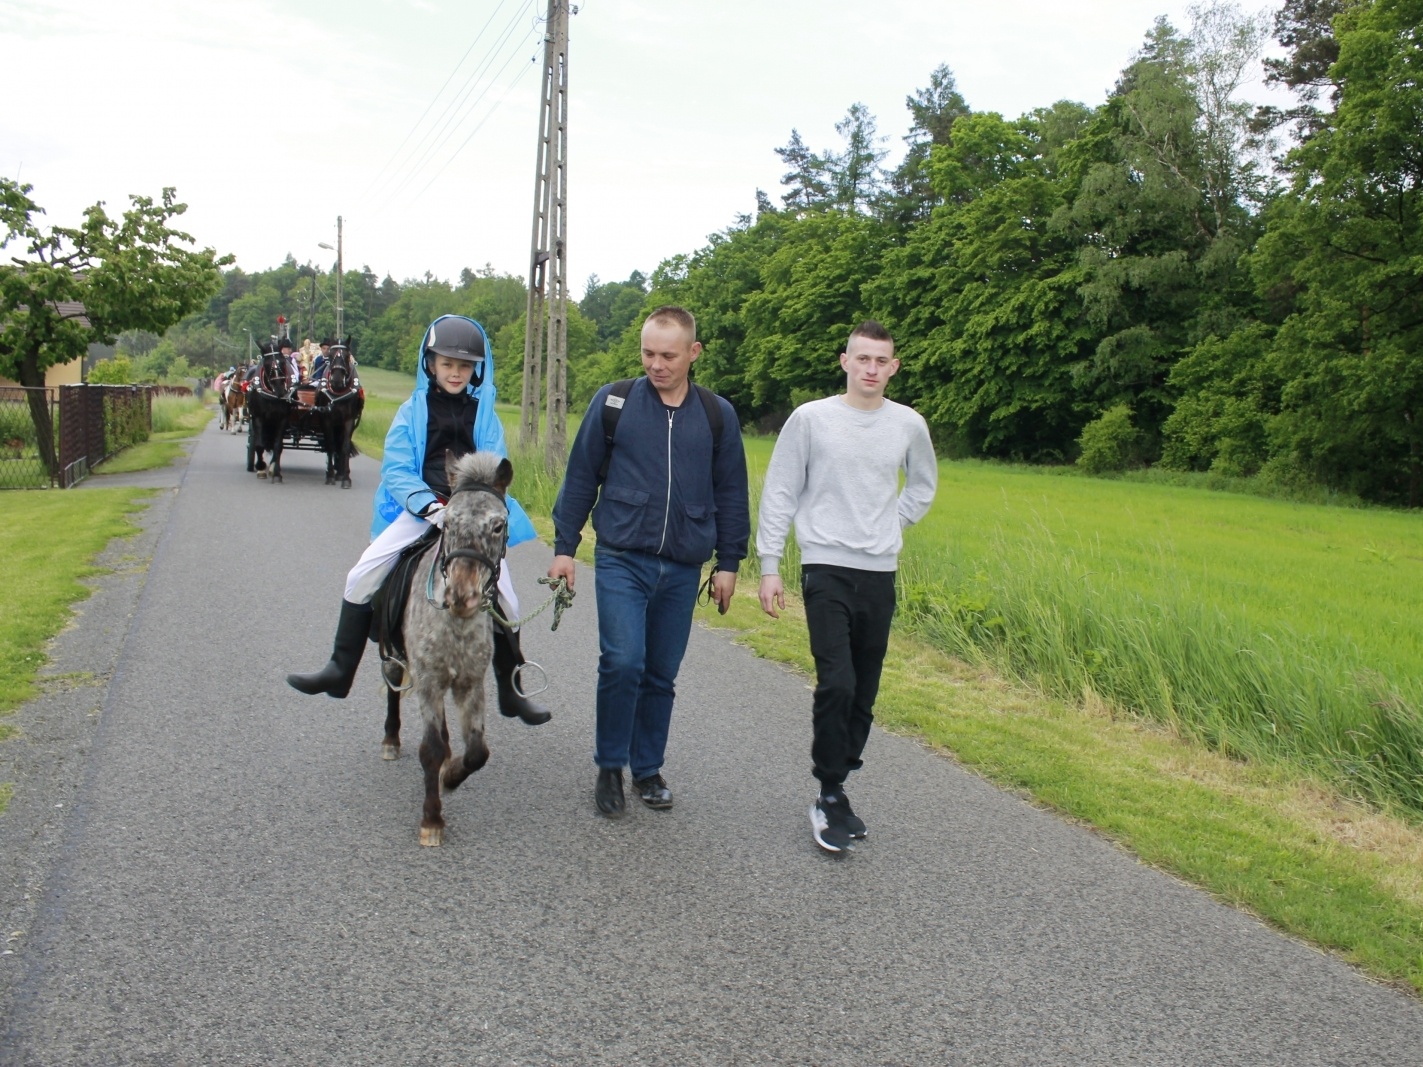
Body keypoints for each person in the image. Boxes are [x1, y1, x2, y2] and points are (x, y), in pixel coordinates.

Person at [286, 314, 553, 726]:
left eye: (464, 366)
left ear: (475, 369)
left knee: (509, 599)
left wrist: (465, 507)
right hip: (422, 510)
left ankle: (511, 691)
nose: (456, 372)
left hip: (467, 515)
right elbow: (395, 468)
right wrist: (428, 506)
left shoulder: (485, 415)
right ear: (431, 363)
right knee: (361, 574)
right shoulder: (411, 411)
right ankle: (339, 670)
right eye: (447, 364)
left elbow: (496, 464)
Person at [547, 305, 749, 817]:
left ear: (693, 353)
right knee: (623, 661)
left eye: (668, 355)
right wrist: (564, 549)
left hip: (683, 568)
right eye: (648, 353)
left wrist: (729, 563)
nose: (656, 364)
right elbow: (580, 477)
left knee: (660, 672)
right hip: (621, 558)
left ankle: (648, 768)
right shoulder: (614, 401)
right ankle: (610, 766)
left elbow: (731, 493)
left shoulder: (716, 415)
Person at [755, 320, 937, 853]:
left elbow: (923, 486)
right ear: (845, 362)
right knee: (836, 681)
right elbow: (781, 491)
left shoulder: (908, 424)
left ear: (894, 367)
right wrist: (770, 565)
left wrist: (890, 524)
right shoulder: (812, 419)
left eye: (882, 361)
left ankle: (839, 782)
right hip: (825, 567)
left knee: (864, 690)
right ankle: (828, 791)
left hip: (880, 571)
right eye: (863, 359)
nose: (872, 369)